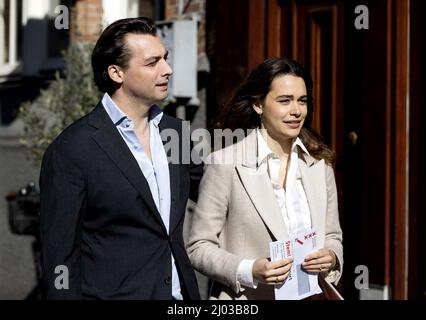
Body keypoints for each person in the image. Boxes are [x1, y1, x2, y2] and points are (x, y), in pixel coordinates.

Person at [39, 17, 203, 300]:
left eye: (165, 58)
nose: (168, 69)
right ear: (117, 73)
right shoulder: (73, 148)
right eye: (152, 63)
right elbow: (59, 256)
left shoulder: (177, 134)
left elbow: (220, 195)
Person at [186, 58, 343, 299]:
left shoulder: (319, 165)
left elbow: (332, 236)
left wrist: (331, 257)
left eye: (302, 101)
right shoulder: (225, 164)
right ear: (258, 105)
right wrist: (249, 270)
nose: (296, 110)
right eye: (284, 101)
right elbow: (198, 247)